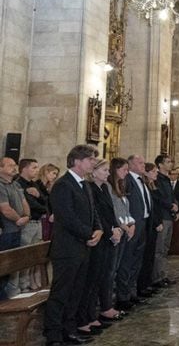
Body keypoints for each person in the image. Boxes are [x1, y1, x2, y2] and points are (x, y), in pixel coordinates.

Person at [43, 145, 102, 346]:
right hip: (67, 249)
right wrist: (88, 234)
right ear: (77, 161)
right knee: (62, 292)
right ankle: (53, 334)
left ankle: (69, 329)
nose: (93, 163)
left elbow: (93, 212)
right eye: (90, 159)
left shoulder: (84, 184)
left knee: (76, 291)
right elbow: (67, 217)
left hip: (83, 247)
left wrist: (98, 229)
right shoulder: (63, 185)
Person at [76, 158, 120, 337]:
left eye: (108, 171)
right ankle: (85, 316)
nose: (108, 174)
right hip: (98, 236)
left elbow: (110, 211)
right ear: (93, 172)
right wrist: (109, 230)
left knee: (102, 275)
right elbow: (96, 214)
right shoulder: (90, 188)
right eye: (104, 171)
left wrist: (116, 227)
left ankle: (92, 314)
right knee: (92, 278)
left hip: (108, 235)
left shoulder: (104, 188)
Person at [115, 155, 150, 310]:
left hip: (142, 224)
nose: (143, 165)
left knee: (137, 260)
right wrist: (129, 223)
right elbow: (123, 205)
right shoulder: (127, 180)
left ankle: (132, 292)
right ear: (131, 165)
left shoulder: (142, 180)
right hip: (131, 225)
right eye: (140, 163)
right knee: (127, 260)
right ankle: (123, 296)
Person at [105, 157, 134, 320]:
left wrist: (131, 223)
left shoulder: (120, 185)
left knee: (117, 267)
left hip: (125, 230)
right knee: (111, 269)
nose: (126, 172)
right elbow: (113, 210)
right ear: (115, 169)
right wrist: (123, 226)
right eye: (124, 169)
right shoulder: (108, 187)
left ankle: (112, 300)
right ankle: (108, 303)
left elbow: (124, 208)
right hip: (116, 231)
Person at [0, 157, 29, 299]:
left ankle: (4, 296)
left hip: (17, 230)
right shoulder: (0, 185)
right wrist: (18, 219)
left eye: (15, 165)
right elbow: (5, 209)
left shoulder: (15, 185)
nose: (14, 167)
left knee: (11, 265)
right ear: (0, 168)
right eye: (10, 165)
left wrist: (27, 216)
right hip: (6, 231)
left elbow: (24, 202)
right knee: (3, 265)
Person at [16, 158, 47, 292]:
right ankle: (22, 285)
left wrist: (39, 194)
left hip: (38, 222)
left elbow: (47, 200)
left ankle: (30, 282)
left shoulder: (35, 184)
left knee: (35, 255)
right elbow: (30, 205)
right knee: (24, 255)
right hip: (27, 223)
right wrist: (44, 208)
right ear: (24, 168)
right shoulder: (19, 184)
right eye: (34, 167)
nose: (37, 170)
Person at [137, 163, 163, 297]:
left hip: (152, 222)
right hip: (149, 223)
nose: (156, 174)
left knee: (150, 255)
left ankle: (147, 283)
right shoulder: (144, 185)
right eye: (153, 171)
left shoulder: (152, 186)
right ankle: (143, 285)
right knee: (145, 256)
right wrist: (157, 222)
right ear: (147, 173)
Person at [153, 154, 178, 288]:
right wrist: (170, 206)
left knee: (165, 248)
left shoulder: (167, 179)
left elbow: (171, 196)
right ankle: (157, 277)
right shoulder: (157, 179)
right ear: (160, 165)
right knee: (159, 249)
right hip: (162, 216)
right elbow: (158, 198)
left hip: (169, 216)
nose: (171, 164)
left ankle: (163, 274)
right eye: (168, 162)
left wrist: (176, 206)